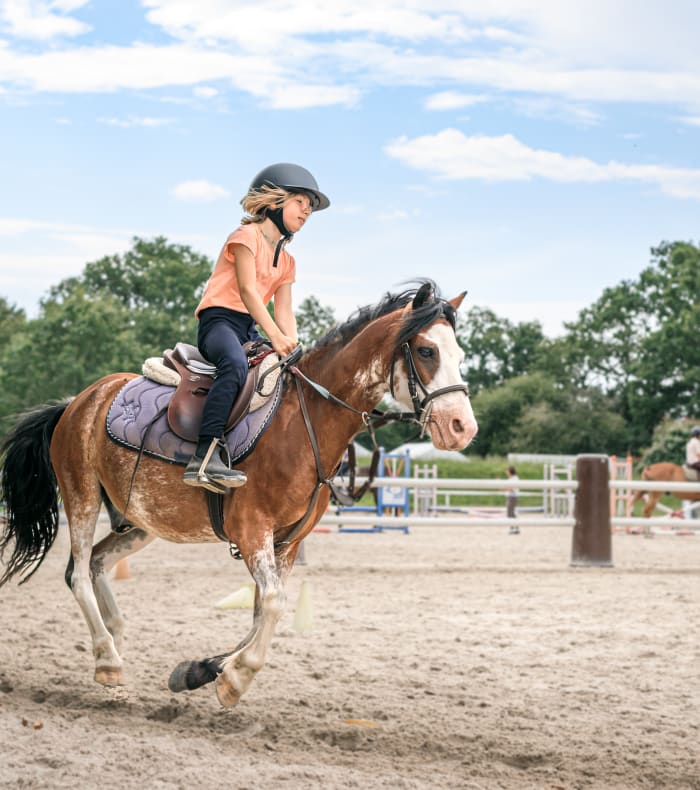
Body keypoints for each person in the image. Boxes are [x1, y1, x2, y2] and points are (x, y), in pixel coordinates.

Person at [183, 163, 330, 490]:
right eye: (300, 202)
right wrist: (276, 337)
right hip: (219, 321)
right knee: (234, 365)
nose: (307, 211)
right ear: (275, 202)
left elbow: (285, 310)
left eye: (310, 207)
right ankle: (205, 455)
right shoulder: (245, 237)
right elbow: (249, 292)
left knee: (279, 375)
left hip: (250, 328)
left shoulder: (288, 261)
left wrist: (292, 342)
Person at [506, 465, 520, 534]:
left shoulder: (514, 479)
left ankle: (514, 528)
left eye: (507, 471)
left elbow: (511, 489)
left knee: (510, 513)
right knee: (511, 513)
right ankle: (514, 528)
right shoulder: (512, 478)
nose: (506, 472)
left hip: (512, 497)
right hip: (511, 497)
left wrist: (501, 488)